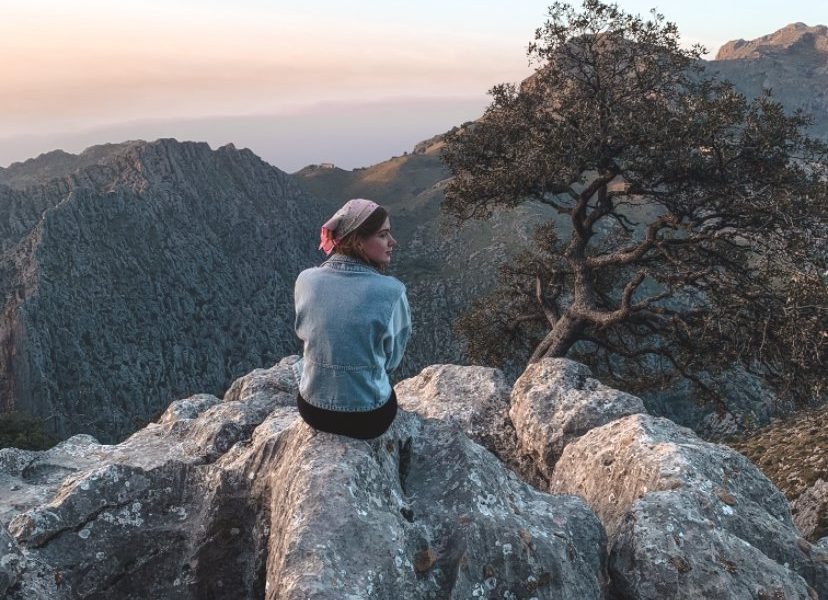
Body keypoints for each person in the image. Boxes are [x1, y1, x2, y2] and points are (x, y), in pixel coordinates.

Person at [292, 198, 411, 439]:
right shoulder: (392, 292)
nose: (392, 242)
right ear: (357, 240)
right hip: (368, 418)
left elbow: (305, 334)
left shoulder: (306, 280)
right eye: (383, 235)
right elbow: (391, 360)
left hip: (312, 408)